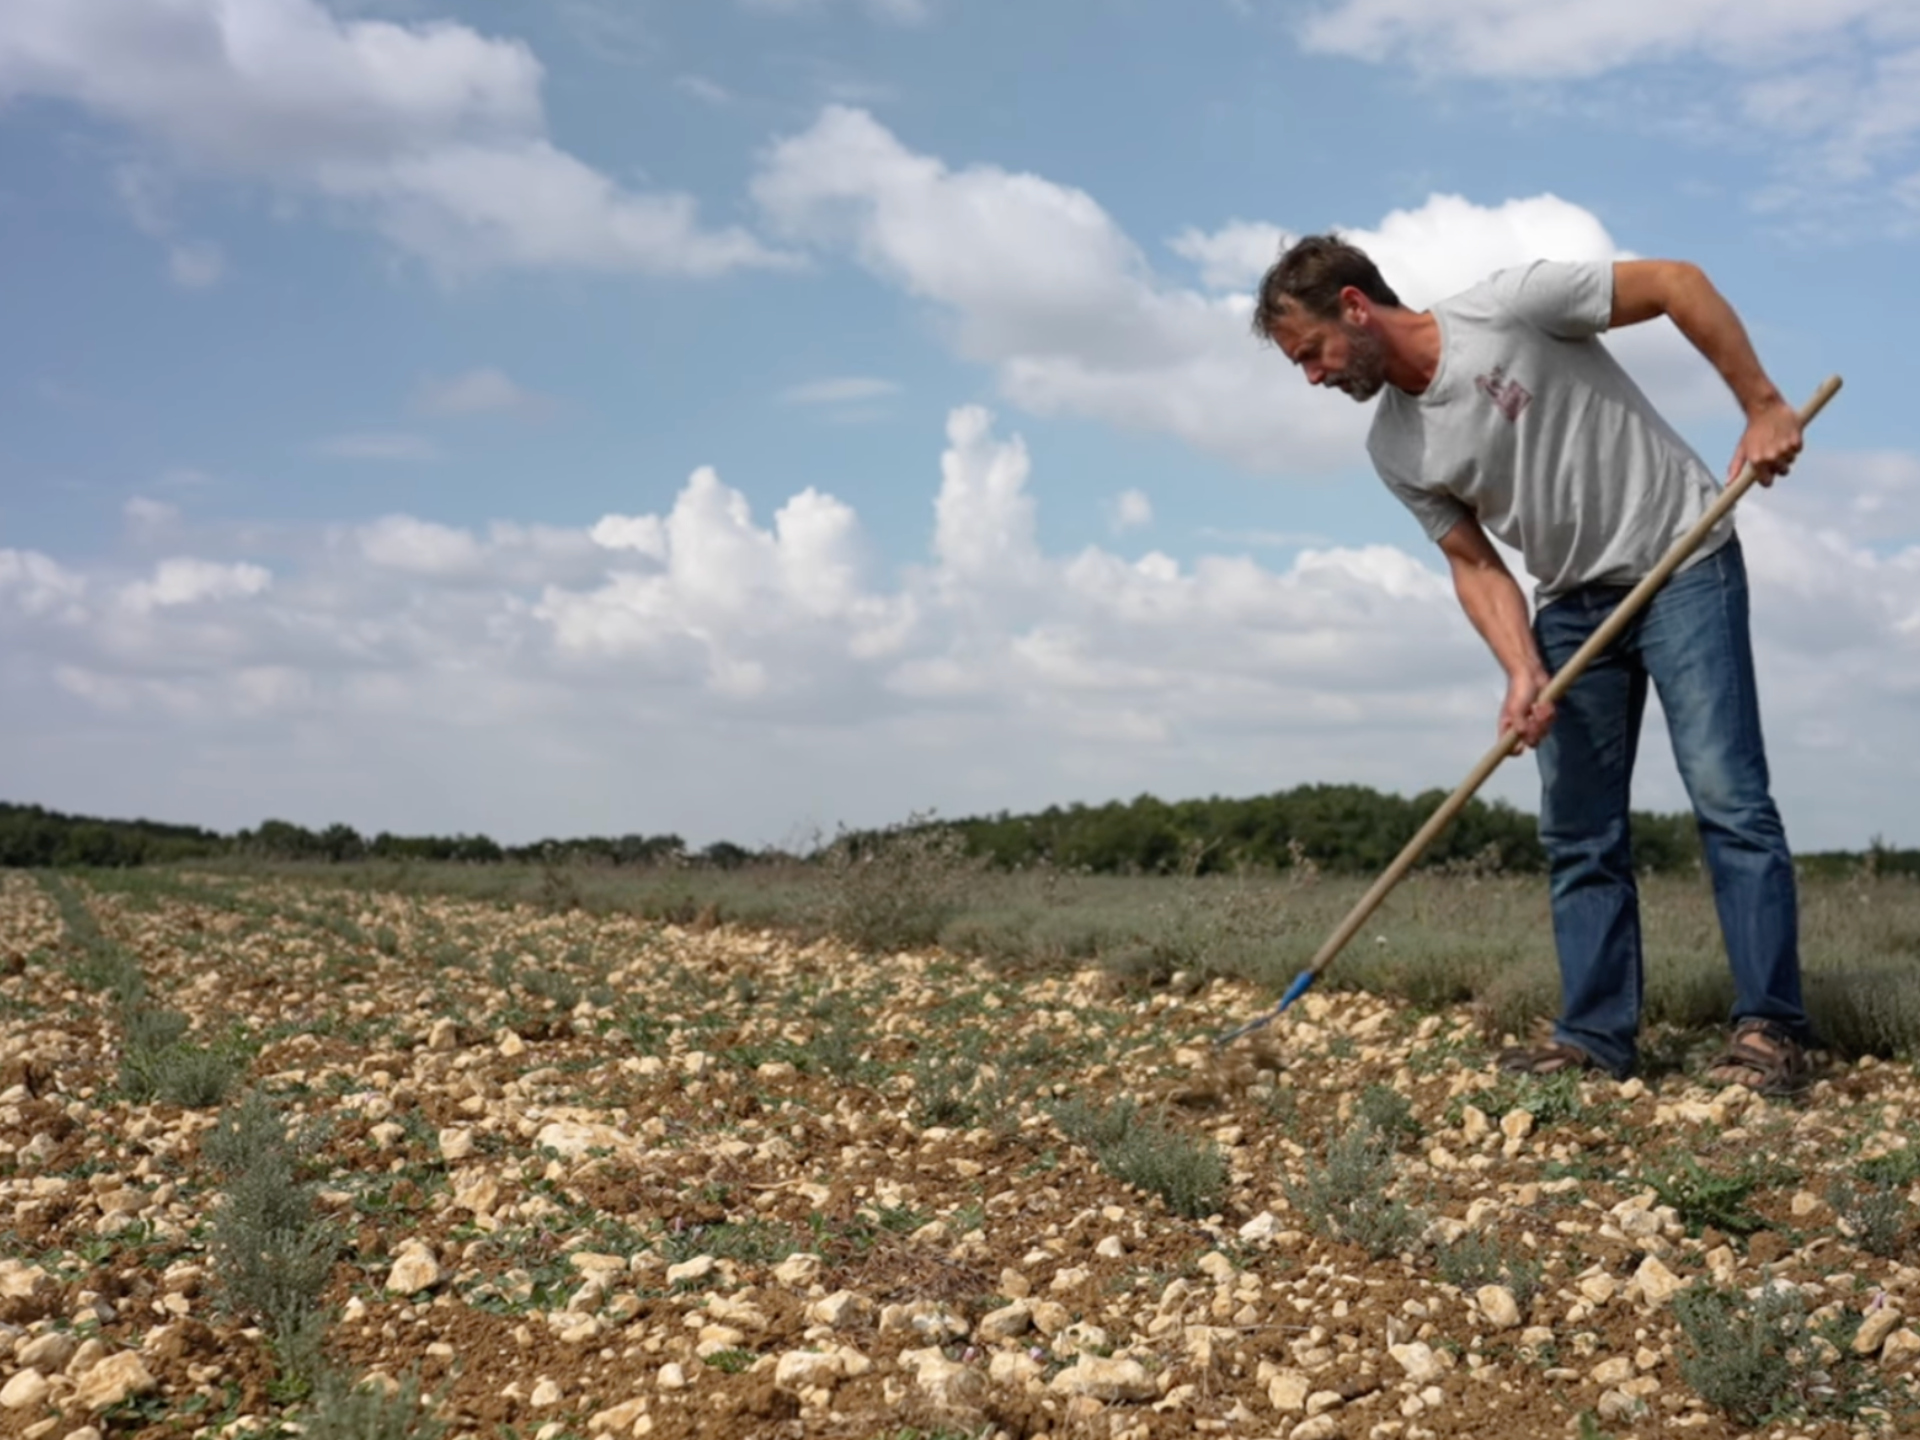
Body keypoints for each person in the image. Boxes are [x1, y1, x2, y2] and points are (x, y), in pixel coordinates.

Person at [1249, 235, 1812, 1094]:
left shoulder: (1510, 308)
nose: (1313, 378)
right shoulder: (1394, 448)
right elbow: (1475, 564)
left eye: (1311, 353)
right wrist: (1520, 669)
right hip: (1569, 602)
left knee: (1728, 798)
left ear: (1354, 308)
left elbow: (1675, 283)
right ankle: (1594, 1036)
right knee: (1578, 831)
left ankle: (1769, 1028)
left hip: (1683, 559)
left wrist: (1763, 405)